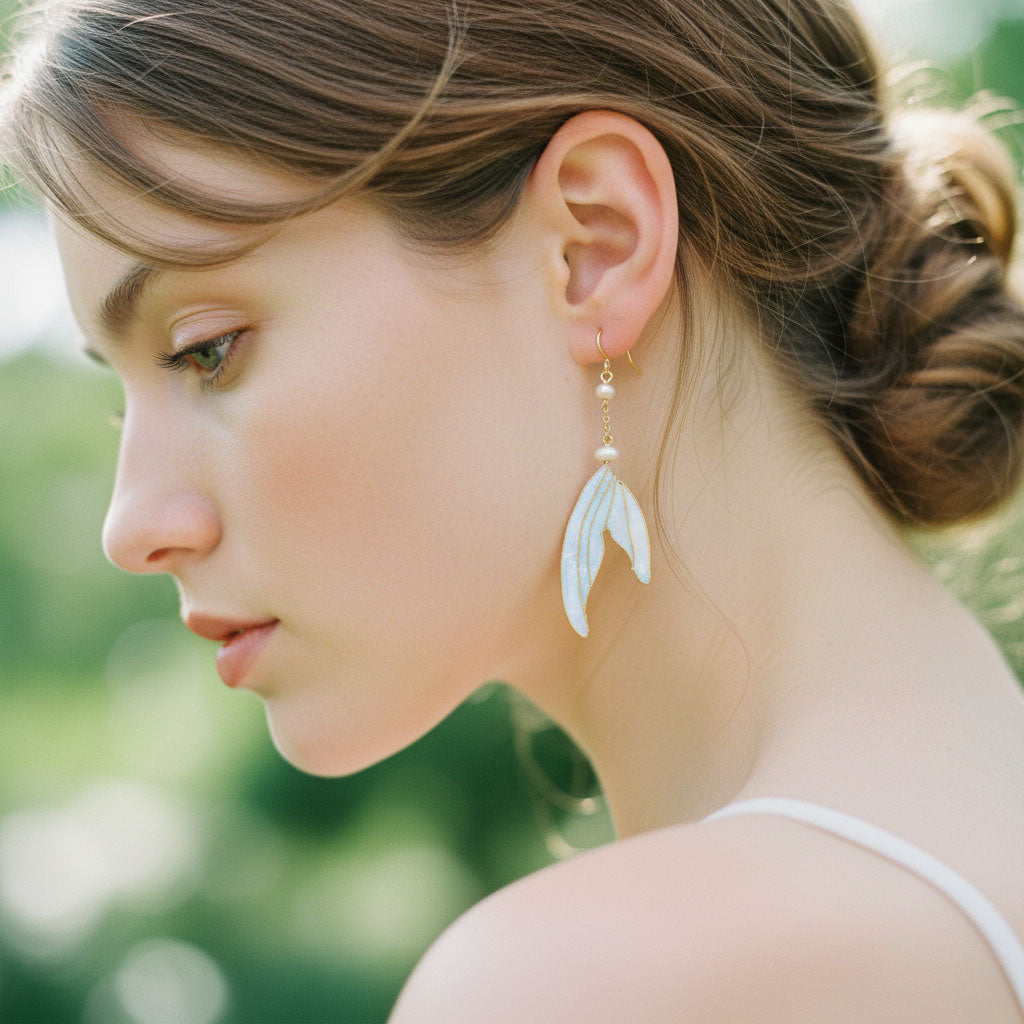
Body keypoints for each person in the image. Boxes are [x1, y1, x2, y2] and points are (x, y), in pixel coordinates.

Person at [3, 0, 1024, 1019]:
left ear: (594, 245)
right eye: (119, 394)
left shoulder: (586, 984)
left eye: (206, 349)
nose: (132, 525)